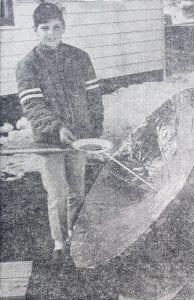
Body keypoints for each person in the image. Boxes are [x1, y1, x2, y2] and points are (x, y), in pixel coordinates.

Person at [16, 2, 104, 265]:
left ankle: (75, 236)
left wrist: (95, 129)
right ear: (35, 30)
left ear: (63, 28)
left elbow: (94, 97)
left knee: (77, 188)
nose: (51, 33)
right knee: (56, 192)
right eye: (45, 28)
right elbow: (33, 106)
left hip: (79, 140)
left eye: (56, 27)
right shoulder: (27, 65)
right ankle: (59, 244)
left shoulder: (80, 57)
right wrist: (57, 128)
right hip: (49, 143)